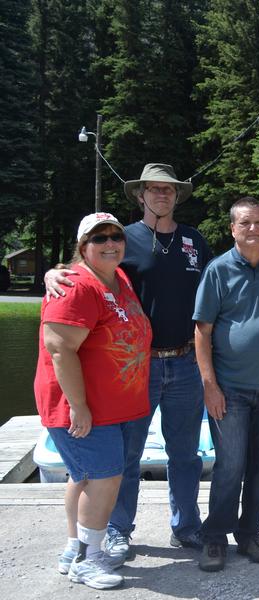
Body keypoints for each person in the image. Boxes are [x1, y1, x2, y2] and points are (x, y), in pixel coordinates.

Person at [45, 164, 211, 560]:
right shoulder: (121, 239)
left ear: (176, 196)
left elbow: (214, 287)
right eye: (153, 189)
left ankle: (186, 526)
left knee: (186, 453)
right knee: (127, 455)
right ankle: (118, 529)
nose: (161, 195)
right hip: (136, 367)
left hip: (186, 361)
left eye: (168, 190)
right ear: (140, 196)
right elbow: (87, 271)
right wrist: (54, 272)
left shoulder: (193, 240)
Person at [35, 213, 152, 589]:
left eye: (115, 236)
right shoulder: (76, 286)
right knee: (104, 479)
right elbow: (59, 348)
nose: (109, 243)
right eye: (98, 238)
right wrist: (79, 406)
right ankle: (90, 558)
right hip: (83, 408)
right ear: (82, 246)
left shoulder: (117, 277)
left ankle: (75, 548)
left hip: (113, 404)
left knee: (84, 477)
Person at [193, 197, 259, 572]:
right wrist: (209, 386)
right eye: (245, 223)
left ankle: (249, 533)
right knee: (230, 466)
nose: (253, 229)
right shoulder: (218, 270)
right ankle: (214, 537)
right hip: (229, 388)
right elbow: (202, 332)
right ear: (233, 228)